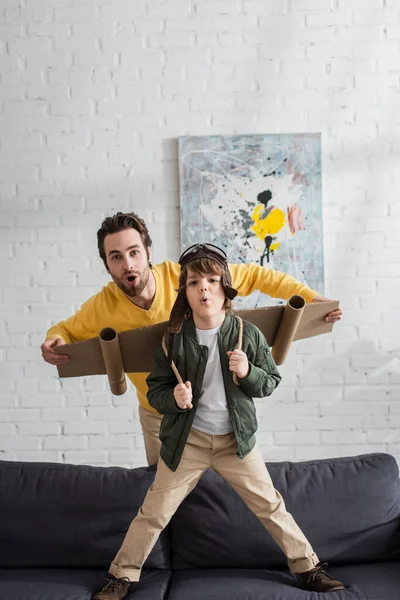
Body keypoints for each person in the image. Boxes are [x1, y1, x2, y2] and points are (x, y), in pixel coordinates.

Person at [92, 243, 345, 600]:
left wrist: (247, 373)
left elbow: (270, 382)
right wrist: (174, 401)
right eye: (195, 282)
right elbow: (156, 390)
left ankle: (309, 568)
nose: (204, 288)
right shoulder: (173, 339)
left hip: (235, 442)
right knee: (153, 511)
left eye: (212, 280)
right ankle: (123, 575)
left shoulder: (247, 334)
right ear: (185, 292)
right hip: (187, 442)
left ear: (225, 288)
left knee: (270, 505)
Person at [41, 212, 342, 466]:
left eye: (134, 252)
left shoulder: (187, 277)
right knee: (166, 499)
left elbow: (258, 276)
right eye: (116, 257)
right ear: (107, 265)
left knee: (216, 496)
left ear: (147, 252)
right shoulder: (102, 306)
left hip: (210, 409)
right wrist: (53, 339)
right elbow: (65, 330)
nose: (128, 264)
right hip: (158, 414)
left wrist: (312, 298)